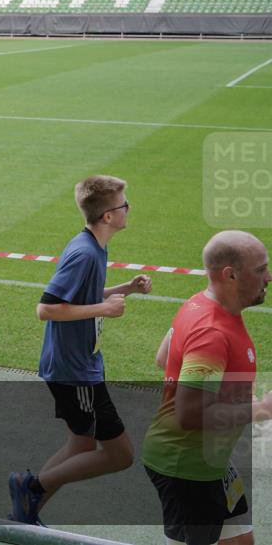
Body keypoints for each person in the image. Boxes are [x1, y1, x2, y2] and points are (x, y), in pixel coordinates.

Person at [9, 175, 152, 525]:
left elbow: (83, 296)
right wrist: (103, 309)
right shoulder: (86, 253)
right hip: (75, 372)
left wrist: (126, 288)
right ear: (107, 216)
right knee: (119, 455)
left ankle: (26, 512)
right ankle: (30, 486)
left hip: (76, 367)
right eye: (124, 205)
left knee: (81, 446)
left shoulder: (93, 246)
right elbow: (46, 309)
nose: (128, 209)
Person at [142, 230, 272, 545]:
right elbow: (188, 415)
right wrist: (262, 410)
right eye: (260, 270)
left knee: (241, 541)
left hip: (210, 461)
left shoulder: (199, 304)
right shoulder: (212, 333)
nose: (268, 277)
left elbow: (164, 358)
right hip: (187, 469)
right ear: (230, 275)